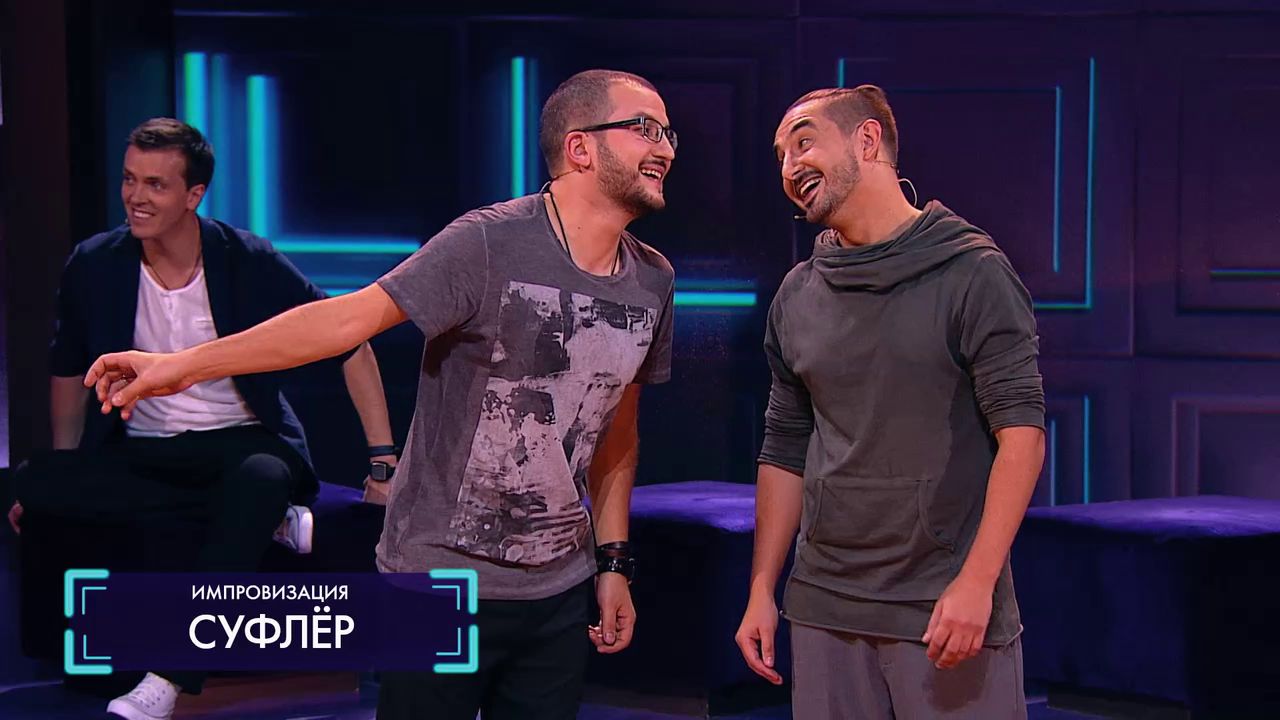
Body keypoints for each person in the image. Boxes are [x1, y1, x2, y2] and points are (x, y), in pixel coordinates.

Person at [83, 69, 678, 720]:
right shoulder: (489, 243)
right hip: (439, 582)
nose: (666, 148)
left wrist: (612, 562)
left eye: (667, 133)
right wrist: (182, 366)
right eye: (644, 128)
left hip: (560, 590)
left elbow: (617, 430)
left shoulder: (652, 281)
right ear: (580, 147)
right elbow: (343, 322)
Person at [7, 118, 399, 720]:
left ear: (194, 195)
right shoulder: (95, 263)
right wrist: (66, 465)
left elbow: (349, 340)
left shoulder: (245, 258)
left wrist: (381, 462)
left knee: (262, 478)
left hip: (240, 444)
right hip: (144, 451)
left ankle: (169, 676)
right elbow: (69, 372)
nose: (136, 198)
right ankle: (268, 520)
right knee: (33, 482)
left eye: (156, 185)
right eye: (129, 180)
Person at [734, 85, 1046, 719]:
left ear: (867, 140)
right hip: (823, 606)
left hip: (942, 608)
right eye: (780, 155)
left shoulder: (972, 271)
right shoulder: (797, 294)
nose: (790, 166)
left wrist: (978, 582)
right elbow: (785, 447)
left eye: (804, 142)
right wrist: (762, 588)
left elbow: (1023, 436)